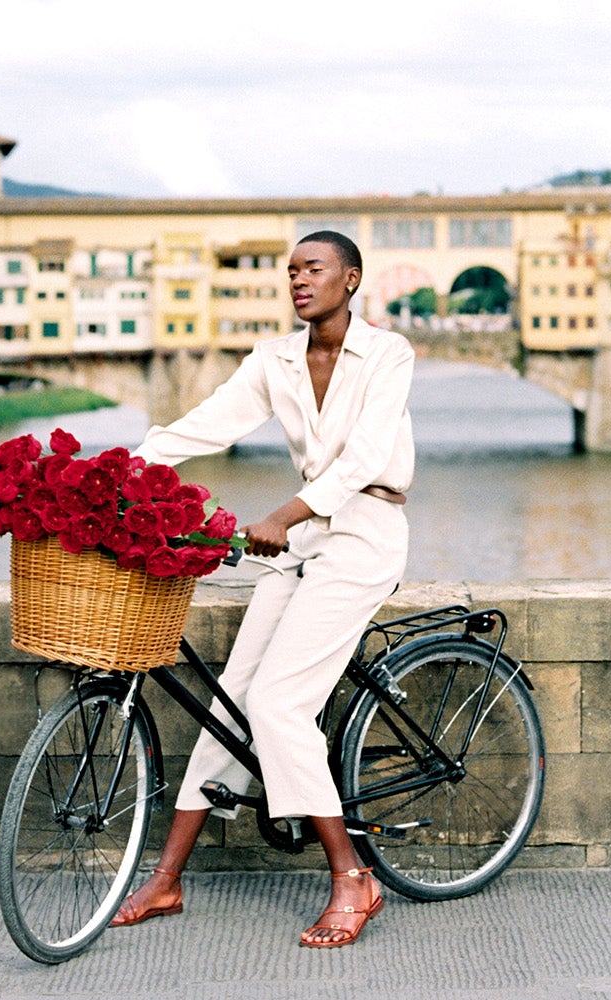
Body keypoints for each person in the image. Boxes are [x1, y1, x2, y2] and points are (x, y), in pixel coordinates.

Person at [112, 231, 414, 949]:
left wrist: (282, 513)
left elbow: (365, 456)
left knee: (280, 703)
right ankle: (166, 879)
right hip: (306, 534)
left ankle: (352, 879)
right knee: (233, 701)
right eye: (291, 272)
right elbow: (205, 425)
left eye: (314, 269)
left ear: (351, 278)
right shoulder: (275, 360)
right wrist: (117, 471)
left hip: (365, 528)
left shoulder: (388, 353)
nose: (299, 281)